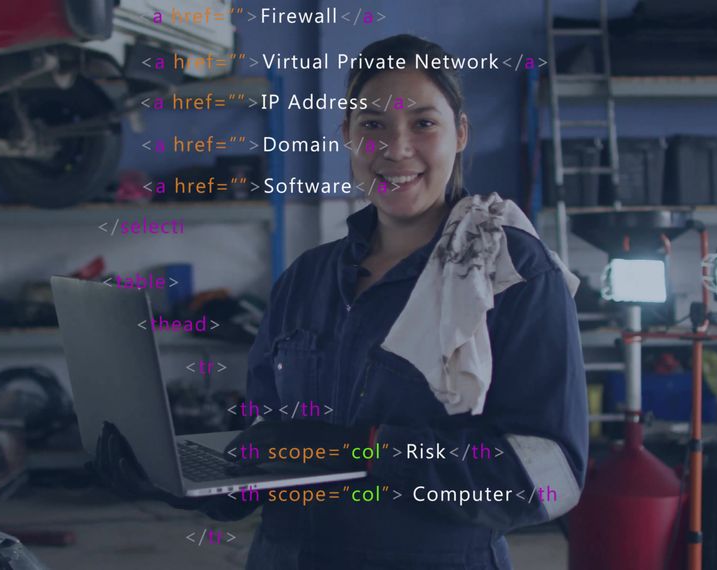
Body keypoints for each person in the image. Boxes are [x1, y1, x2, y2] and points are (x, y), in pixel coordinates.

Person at [94, 34, 588, 570]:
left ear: (460, 134)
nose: (396, 148)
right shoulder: (306, 279)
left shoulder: (510, 275)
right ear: (347, 137)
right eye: (372, 124)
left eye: (423, 123)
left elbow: (548, 478)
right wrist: (190, 478)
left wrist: (370, 448)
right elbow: (272, 442)